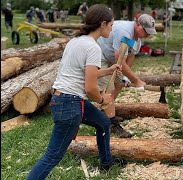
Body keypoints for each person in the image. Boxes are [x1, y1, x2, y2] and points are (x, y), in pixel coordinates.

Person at [26, 4, 126, 180]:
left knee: (103, 123)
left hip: (64, 100)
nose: (112, 28)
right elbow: (90, 87)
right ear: (102, 24)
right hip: (70, 105)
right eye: (111, 25)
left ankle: (106, 162)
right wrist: (103, 100)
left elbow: (86, 73)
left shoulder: (76, 41)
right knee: (52, 156)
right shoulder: (93, 47)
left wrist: (109, 71)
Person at [96, 14, 157, 138]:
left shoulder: (137, 38)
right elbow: (119, 58)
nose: (147, 35)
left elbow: (130, 55)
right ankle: (112, 124)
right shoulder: (123, 31)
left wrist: (125, 77)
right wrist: (137, 81)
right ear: (138, 24)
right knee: (107, 89)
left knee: (119, 84)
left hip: (115, 60)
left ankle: (106, 111)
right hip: (100, 54)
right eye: (145, 31)